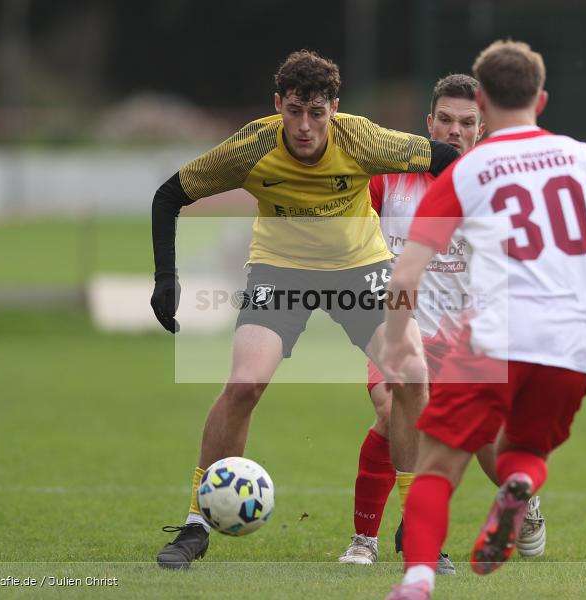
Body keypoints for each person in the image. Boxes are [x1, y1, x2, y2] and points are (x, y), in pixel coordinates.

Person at [381, 40, 586, 599]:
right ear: (542, 98)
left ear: (480, 103)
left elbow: (405, 276)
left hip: (496, 337)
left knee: (436, 465)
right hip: (575, 344)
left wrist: (395, 344)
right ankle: (520, 486)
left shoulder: (466, 171)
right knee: (524, 452)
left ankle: (416, 581)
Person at [150, 49, 459, 569]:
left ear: (334, 109)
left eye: (317, 112)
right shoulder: (253, 145)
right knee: (243, 385)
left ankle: (418, 528)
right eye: (294, 110)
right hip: (280, 270)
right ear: (279, 106)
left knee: (410, 378)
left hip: (361, 270)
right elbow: (169, 195)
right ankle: (196, 525)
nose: (305, 125)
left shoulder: (361, 138)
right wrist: (165, 278)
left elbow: (445, 159)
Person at [337, 74, 545, 574]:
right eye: (445, 120)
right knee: (391, 413)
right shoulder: (390, 179)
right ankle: (365, 538)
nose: (454, 130)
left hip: (466, 338)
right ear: (429, 124)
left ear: (483, 127)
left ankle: (525, 504)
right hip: (398, 332)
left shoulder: (494, 189)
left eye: (466, 122)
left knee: (484, 446)